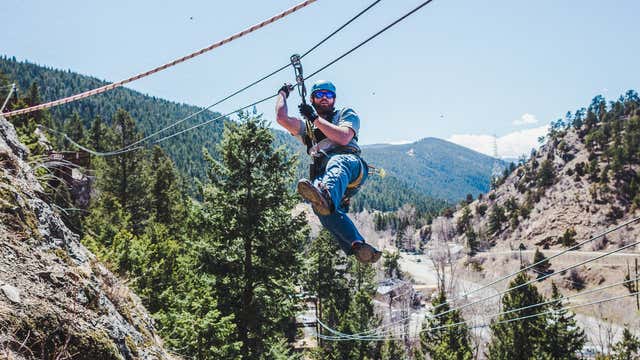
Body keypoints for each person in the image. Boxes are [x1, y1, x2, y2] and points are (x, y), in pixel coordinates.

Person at [275, 80, 381, 263]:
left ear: (334, 99)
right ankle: (357, 244)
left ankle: (327, 193)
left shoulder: (345, 114)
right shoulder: (306, 128)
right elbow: (281, 118)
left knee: (336, 164)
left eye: (329, 95)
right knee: (321, 208)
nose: (324, 98)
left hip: (349, 163)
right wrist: (283, 93)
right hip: (325, 173)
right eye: (319, 95)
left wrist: (315, 118)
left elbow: (344, 137)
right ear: (312, 98)